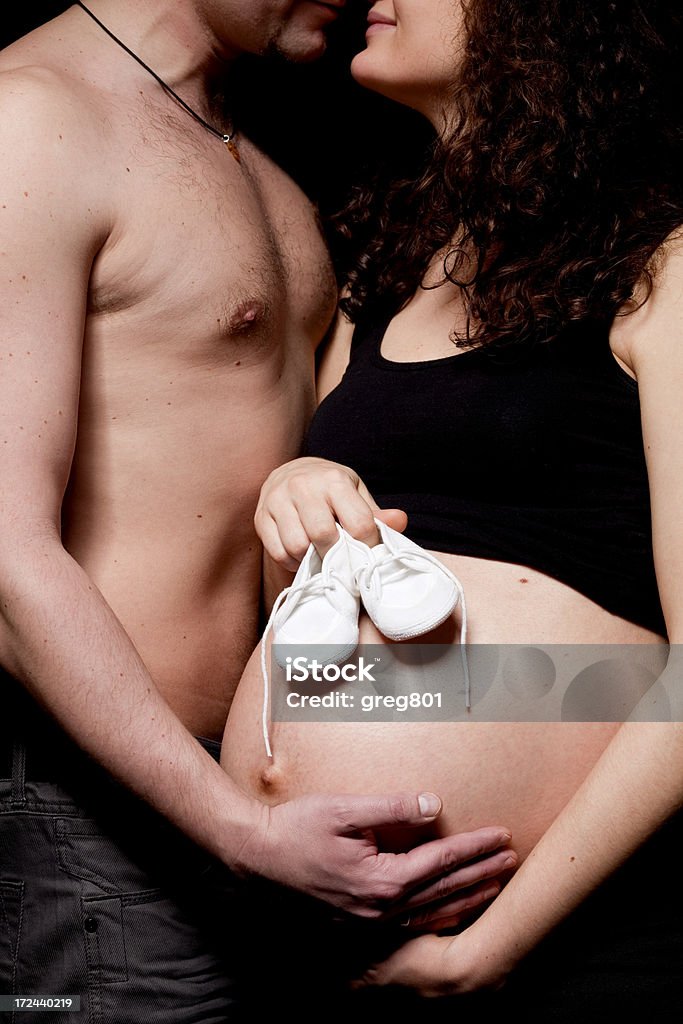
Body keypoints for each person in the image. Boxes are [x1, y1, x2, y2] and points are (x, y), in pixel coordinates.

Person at [0, 2, 517, 1020]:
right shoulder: (31, 121)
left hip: (269, 821)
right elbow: (4, 551)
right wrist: (237, 826)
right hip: (115, 820)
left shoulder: (255, 162)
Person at [222, 0, 683, 1018]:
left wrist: (496, 946)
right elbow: (296, 617)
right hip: (303, 940)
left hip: (559, 936)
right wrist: (290, 494)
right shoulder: (378, 284)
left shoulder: (661, 269)